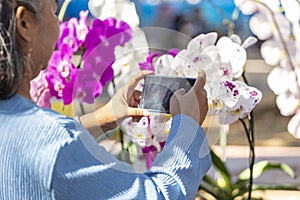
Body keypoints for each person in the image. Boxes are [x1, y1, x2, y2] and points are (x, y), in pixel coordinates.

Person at [0, 0, 212, 199]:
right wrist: (187, 125)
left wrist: (104, 118)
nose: (58, 23)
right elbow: (159, 194)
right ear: (24, 23)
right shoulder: (53, 144)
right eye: (53, 12)